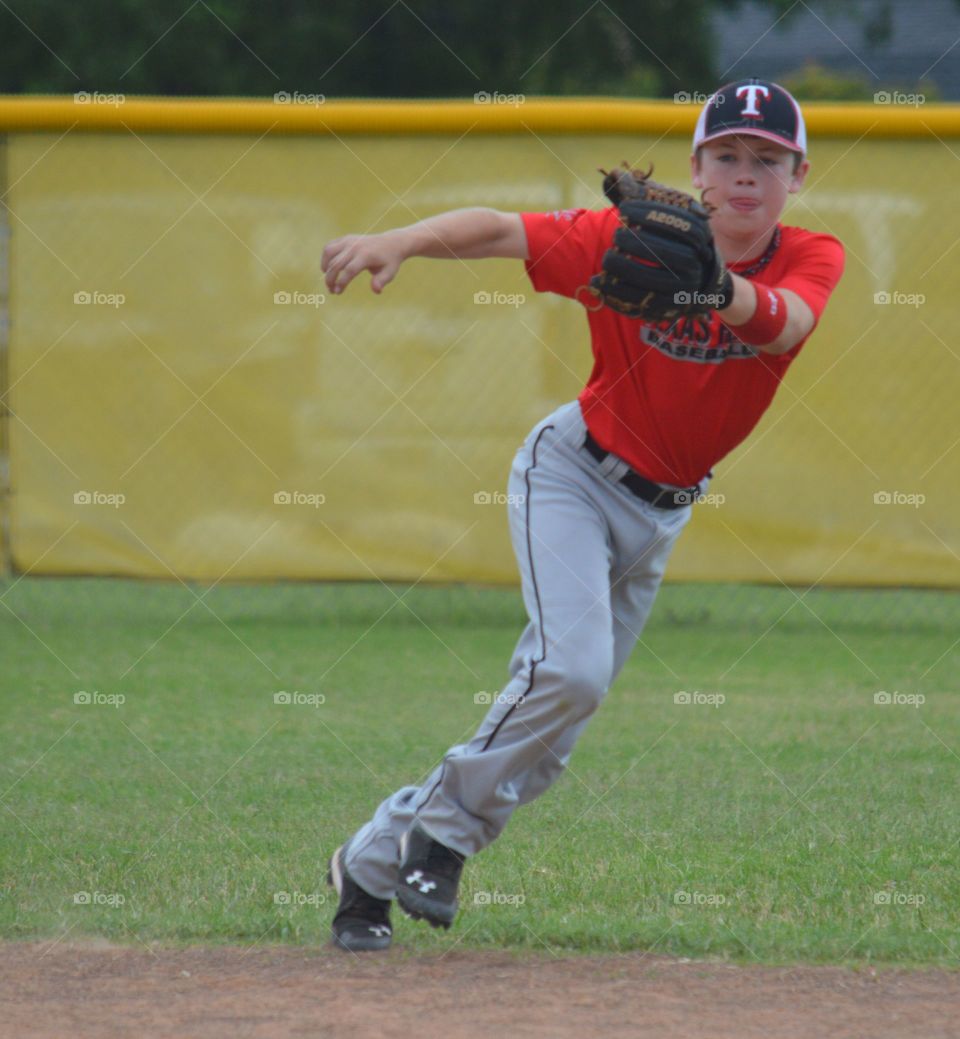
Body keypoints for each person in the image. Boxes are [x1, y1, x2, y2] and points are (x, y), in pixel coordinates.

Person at [320, 78, 845, 951]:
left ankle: (370, 865)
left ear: (798, 175)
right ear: (695, 168)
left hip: (663, 513)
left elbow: (786, 326)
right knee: (572, 673)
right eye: (727, 156)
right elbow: (501, 230)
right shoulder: (631, 240)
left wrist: (718, 290)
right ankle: (441, 841)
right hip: (572, 475)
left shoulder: (810, 253)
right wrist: (400, 240)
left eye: (767, 160)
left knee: (552, 738)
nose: (745, 176)